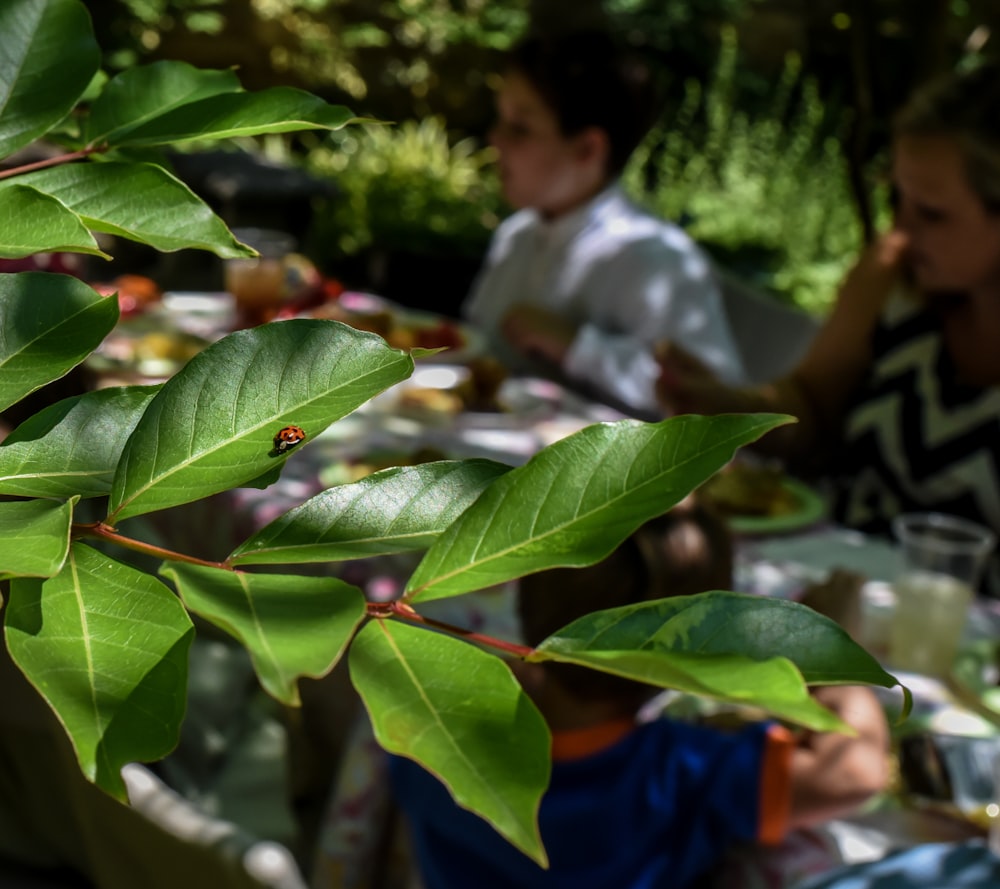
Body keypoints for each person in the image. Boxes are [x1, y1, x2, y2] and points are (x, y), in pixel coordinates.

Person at [387, 498, 890, 889]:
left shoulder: (430, 714)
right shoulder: (680, 771)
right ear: (694, 658)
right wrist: (831, 647)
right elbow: (857, 771)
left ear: (521, 589)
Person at [656, 61, 1000, 597]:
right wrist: (727, 407)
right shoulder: (892, 281)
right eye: (897, 202)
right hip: (826, 582)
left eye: (931, 214)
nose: (901, 232)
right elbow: (812, 408)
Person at [462, 30, 745, 417]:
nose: (495, 138)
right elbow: (473, 345)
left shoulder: (656, 259)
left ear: (587, 149)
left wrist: (580, 347)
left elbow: (719, 409)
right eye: (500, 118)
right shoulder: (518, 236)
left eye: (520, 128)